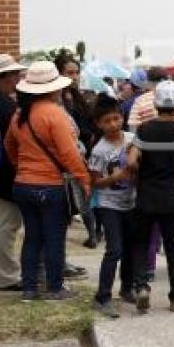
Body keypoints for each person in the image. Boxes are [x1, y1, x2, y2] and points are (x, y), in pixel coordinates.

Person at [4, 61, 92, 301]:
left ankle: (29, 289)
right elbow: (69, 153)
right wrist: (84, 179)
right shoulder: (55, 114)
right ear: (54, 88)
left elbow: (9, 147)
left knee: (32, 237)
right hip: (51, 186)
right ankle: (55, 288)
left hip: (23, 184)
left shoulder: (19, 114)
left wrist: (22, 168)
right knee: (54, 238)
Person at [127, 80, 174, 313]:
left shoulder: (145, 130)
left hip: (146, 197)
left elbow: (130, 161)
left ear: (156, 104)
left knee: (140, 243)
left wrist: (141, 170)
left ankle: (141, 287)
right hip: (170, 197)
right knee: (172, 245)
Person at [88, 94, 136, 318]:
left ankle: (127, 288)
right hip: (109, 205)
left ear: (123, 117)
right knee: (114, 249)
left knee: (130, 247)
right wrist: (116, 177)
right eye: (107, 121)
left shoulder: (132, 139)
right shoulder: (99, 150)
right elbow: (94, 182)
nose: (113, 124)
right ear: (98, 124)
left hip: (132, 203)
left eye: (116, 118)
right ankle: (103, 296)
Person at [0, 54, 27, 292]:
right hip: (3, 173)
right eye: (14, 74)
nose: (17, 78)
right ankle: (8, 275)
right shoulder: (7, 107)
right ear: (3, 77)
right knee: (6, 225)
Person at [55, 54, 99, 249]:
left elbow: (90, 124)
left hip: (84, 156)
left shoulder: (81, 97)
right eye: (69, 72)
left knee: (84, 198)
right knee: (68, 201)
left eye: (76, 72)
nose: (74, 76)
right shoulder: (56, 99)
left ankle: (94, 234)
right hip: (64, 157)